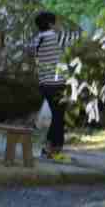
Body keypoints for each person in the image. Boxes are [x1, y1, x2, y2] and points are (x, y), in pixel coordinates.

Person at [29, 12, 68, 160]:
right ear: (51, 24)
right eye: (56, 22)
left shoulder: (37, 40)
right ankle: (52, 148)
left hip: (45, 84)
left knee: (57, 115)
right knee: (59, 117)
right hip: (58, 83)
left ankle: (51, 147)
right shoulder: (56, 37)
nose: (58, 25)